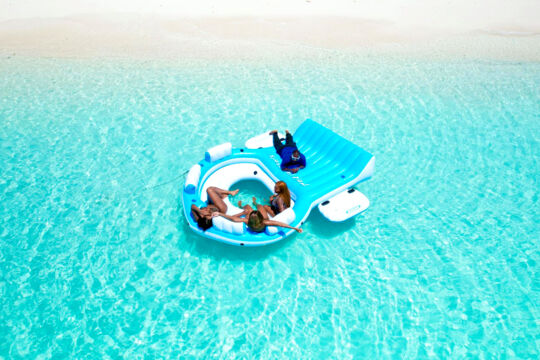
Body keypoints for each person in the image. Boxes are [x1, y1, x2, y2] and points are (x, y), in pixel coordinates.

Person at [213, 197, 302, 234]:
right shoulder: (265, 222)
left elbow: (233, 219)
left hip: (256, 219)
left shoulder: (247, 221)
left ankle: (243, 206)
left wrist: (220, 214)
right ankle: (255, 203)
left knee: (247, 207)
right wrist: (295, 228)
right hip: (263, 219)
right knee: (259, 206)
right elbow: (280, 224)